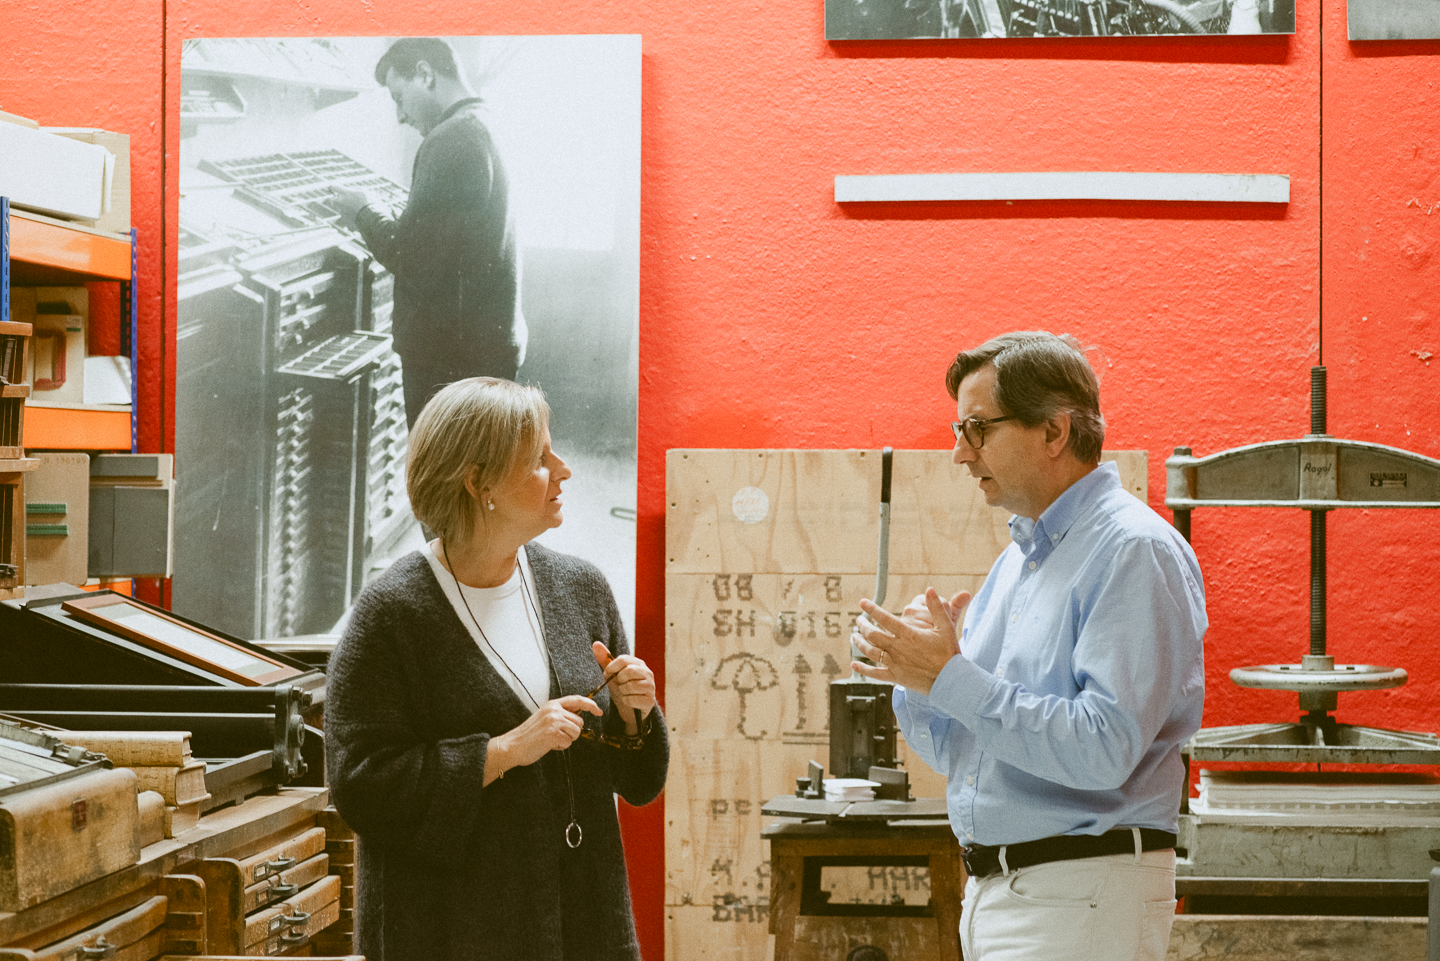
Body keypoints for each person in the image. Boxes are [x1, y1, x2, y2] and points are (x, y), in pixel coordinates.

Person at [850, 331, 1206, 960]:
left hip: (1082, 891)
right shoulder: (1021, 560)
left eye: (978, 428)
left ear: (1054, 432)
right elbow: (965, 753)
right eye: (959, 429)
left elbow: (1104, 747)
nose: (961, 454)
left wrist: (951, 678)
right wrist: (913, 670)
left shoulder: (1132, 550)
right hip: (1006, 892)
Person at [325, 377, 668, 961]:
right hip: (452, 930)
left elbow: (635, 784)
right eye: (539, 458)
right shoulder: (390, 615)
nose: (563, 469)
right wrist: (504, 751)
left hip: (583, 917)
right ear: (478, 481)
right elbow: (360, 785)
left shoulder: (580, 589)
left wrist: (636, 719)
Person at [331, 38, 525, 429]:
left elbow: (409, 257)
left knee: (442, 483)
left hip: (452, 360)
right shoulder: (486, 122)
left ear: (425, 74)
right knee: (473, 477)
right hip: (488, 345)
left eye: (398, 97)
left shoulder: (452, 137)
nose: (401, 116)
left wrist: (362, 211)